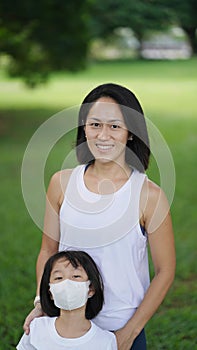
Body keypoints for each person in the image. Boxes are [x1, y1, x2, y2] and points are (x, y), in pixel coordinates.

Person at [23, 83, 176, 350]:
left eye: (114, 126)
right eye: (95, 124)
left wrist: (130, 333)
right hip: (65, 327)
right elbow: (48, 250)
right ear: (84, 128)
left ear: (131, 132)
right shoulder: (61, 183)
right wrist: (41, 304)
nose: (103, 135)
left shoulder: (149, 196)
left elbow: (165, 271)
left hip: (120, 330)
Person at [17, 250, 117, 349]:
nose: (67, 283)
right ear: (50, 291)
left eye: (76, 276)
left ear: (90, 289)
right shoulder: (36, 328)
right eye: (58, 278)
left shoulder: (105, 341)